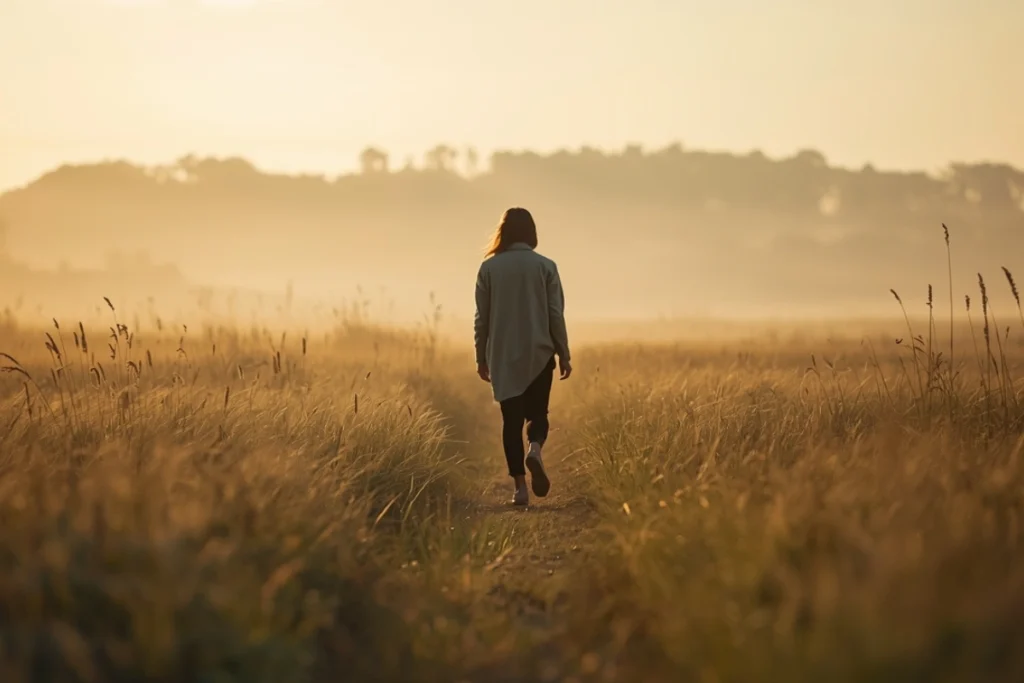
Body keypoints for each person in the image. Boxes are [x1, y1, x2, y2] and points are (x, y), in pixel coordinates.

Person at [473, 207, 572, 506]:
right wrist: (564, 353)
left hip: (503, 355)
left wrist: (481, 356)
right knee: (538, 414)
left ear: (503, 232)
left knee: (510, 421)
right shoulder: (546, 266)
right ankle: (535, 451)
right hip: (540, 353)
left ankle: (520, 488)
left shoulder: (488, 269)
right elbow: (555, 314)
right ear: (531, 233)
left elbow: (482, 318)